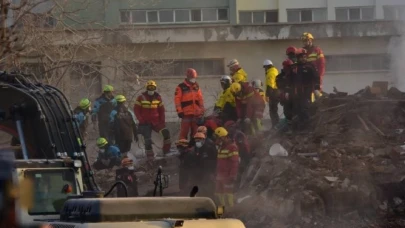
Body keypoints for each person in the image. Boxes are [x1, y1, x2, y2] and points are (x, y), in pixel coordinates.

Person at [134, 80, 171, 158]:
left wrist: (162, 122)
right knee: (147, 140)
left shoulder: (158, 97)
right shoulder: (141, 97)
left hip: (156, 122)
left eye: (153, 87)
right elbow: (136, 110)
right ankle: (150, 156)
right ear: (147, 88)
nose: (151, 89)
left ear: (155, 88)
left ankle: (166, 151)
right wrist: (140, 119)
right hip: (145, 122)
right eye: (149, 87)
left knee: (166, 133)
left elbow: (161, 110)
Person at [286, 48, 321, 129]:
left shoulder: (310, 66)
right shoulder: (294, 67)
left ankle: (309, 129)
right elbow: (289, 80)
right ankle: (298, 130)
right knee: (296, 111)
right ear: (298, 58)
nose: (303, 58)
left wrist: (316, 88)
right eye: (301, 57)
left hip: (307, 93)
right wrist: (287, 91)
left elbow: (316, 78)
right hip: (296, 94)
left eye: (305, 56)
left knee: (305, 110)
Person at [174, 68, 205, 140]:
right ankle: (182, 147)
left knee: (196, 132)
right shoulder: (181, 87)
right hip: (186, 113)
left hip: (196, 113)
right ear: (188, 77)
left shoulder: (196, 86)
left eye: (194, 77)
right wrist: (179, 111)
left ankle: (194, 147)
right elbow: (177, 99)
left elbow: (200, 99)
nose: (193, 79)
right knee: (184, 132)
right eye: (192, 77)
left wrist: (202, 110)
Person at [214, 127, 239, 208]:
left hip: (228, 176)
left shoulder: (232, 147)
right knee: (219, 194)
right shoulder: (221, 147)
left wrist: (232, 175)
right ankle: (222, 211)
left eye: (219, 138)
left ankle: (231, 211)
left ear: (224, 137)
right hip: (220, 175)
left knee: (228, 194)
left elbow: (234, 163)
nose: (218, 140)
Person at [223, 120, 251, 188]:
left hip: (243, 155)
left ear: (232, 127)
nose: (228, 130)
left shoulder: (238, 134)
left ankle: (239, 187)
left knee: (239, 171)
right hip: (236, 156)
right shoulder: (232, 135)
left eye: (228, 128)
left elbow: (242, 148)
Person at [193, 132, 217, 198]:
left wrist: (212, 172)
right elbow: (196, 161)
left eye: (199, 140)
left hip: (208, 172)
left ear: (203, 140)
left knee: (208, 189)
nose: (197, 142)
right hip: (200, 172)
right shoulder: (196, 148)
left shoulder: (209, 148)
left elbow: (214, 160)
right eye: (196, 140)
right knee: (200, 189)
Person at [263, 59, 280, 127]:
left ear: (267, 66)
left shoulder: (270, 73)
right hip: (276, 92)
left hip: (273, 93)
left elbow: (270, 86)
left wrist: (267, 96)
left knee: (273, 111)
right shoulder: (274, 71)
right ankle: (276, 125)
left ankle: (275, 125)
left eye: (265, 67)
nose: (265, 69)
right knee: (274, 110)